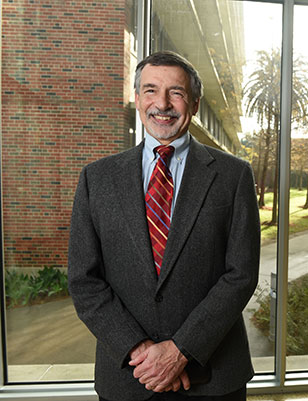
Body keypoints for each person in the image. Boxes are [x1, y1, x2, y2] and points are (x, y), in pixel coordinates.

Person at [68, 51, 260, 401]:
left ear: (195, 103)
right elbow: (84, 280)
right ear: (138, 100)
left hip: (214, 376)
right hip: (129, 375)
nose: (163, 104)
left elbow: (241, 274)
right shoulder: (97, 179)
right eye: (151, 90)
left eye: (177, 92)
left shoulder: (234, 176)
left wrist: (180, 351)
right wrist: (141, 352)